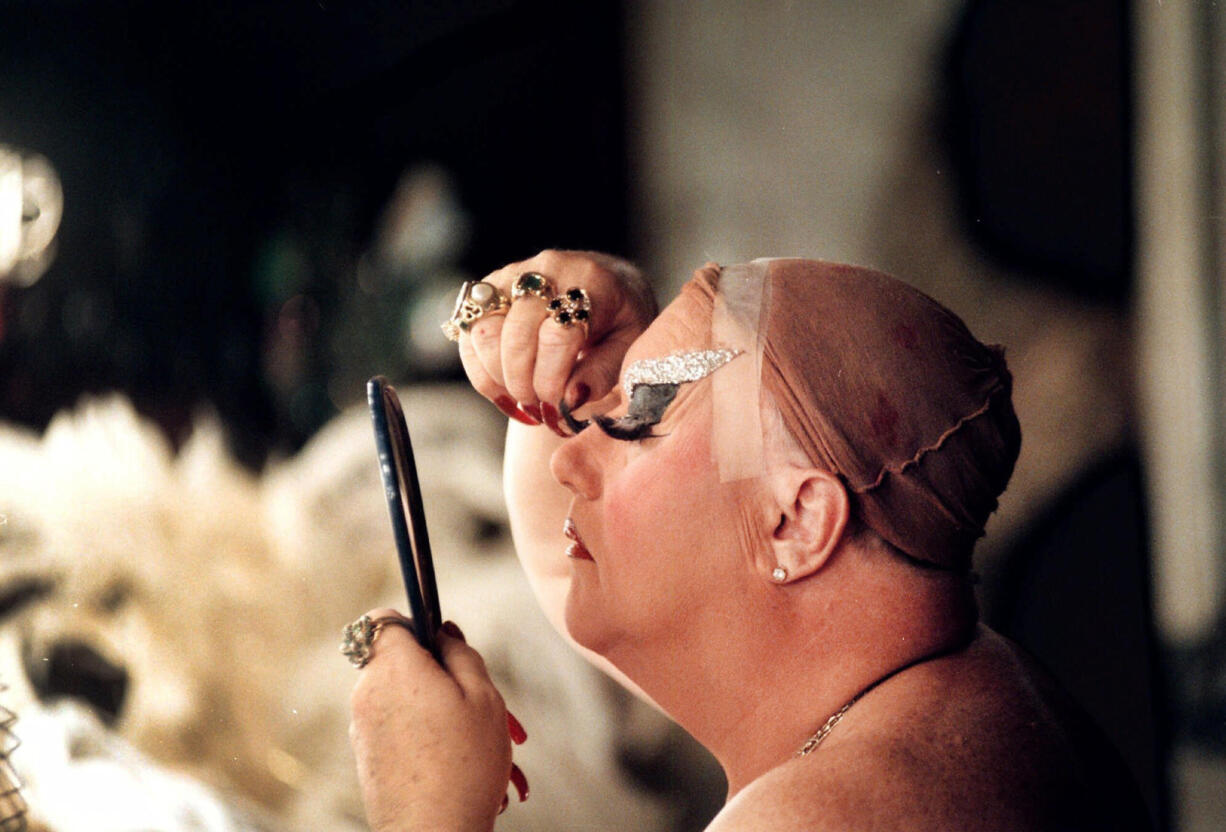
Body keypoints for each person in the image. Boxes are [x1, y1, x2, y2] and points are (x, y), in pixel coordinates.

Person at [347, 250, 1151, 831]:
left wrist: (425, 811)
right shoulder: (956, 684)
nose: (570, 456)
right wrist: (593, 355)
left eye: (633, 424)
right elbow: (564, 534)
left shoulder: (815, 818)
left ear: (798, 521)